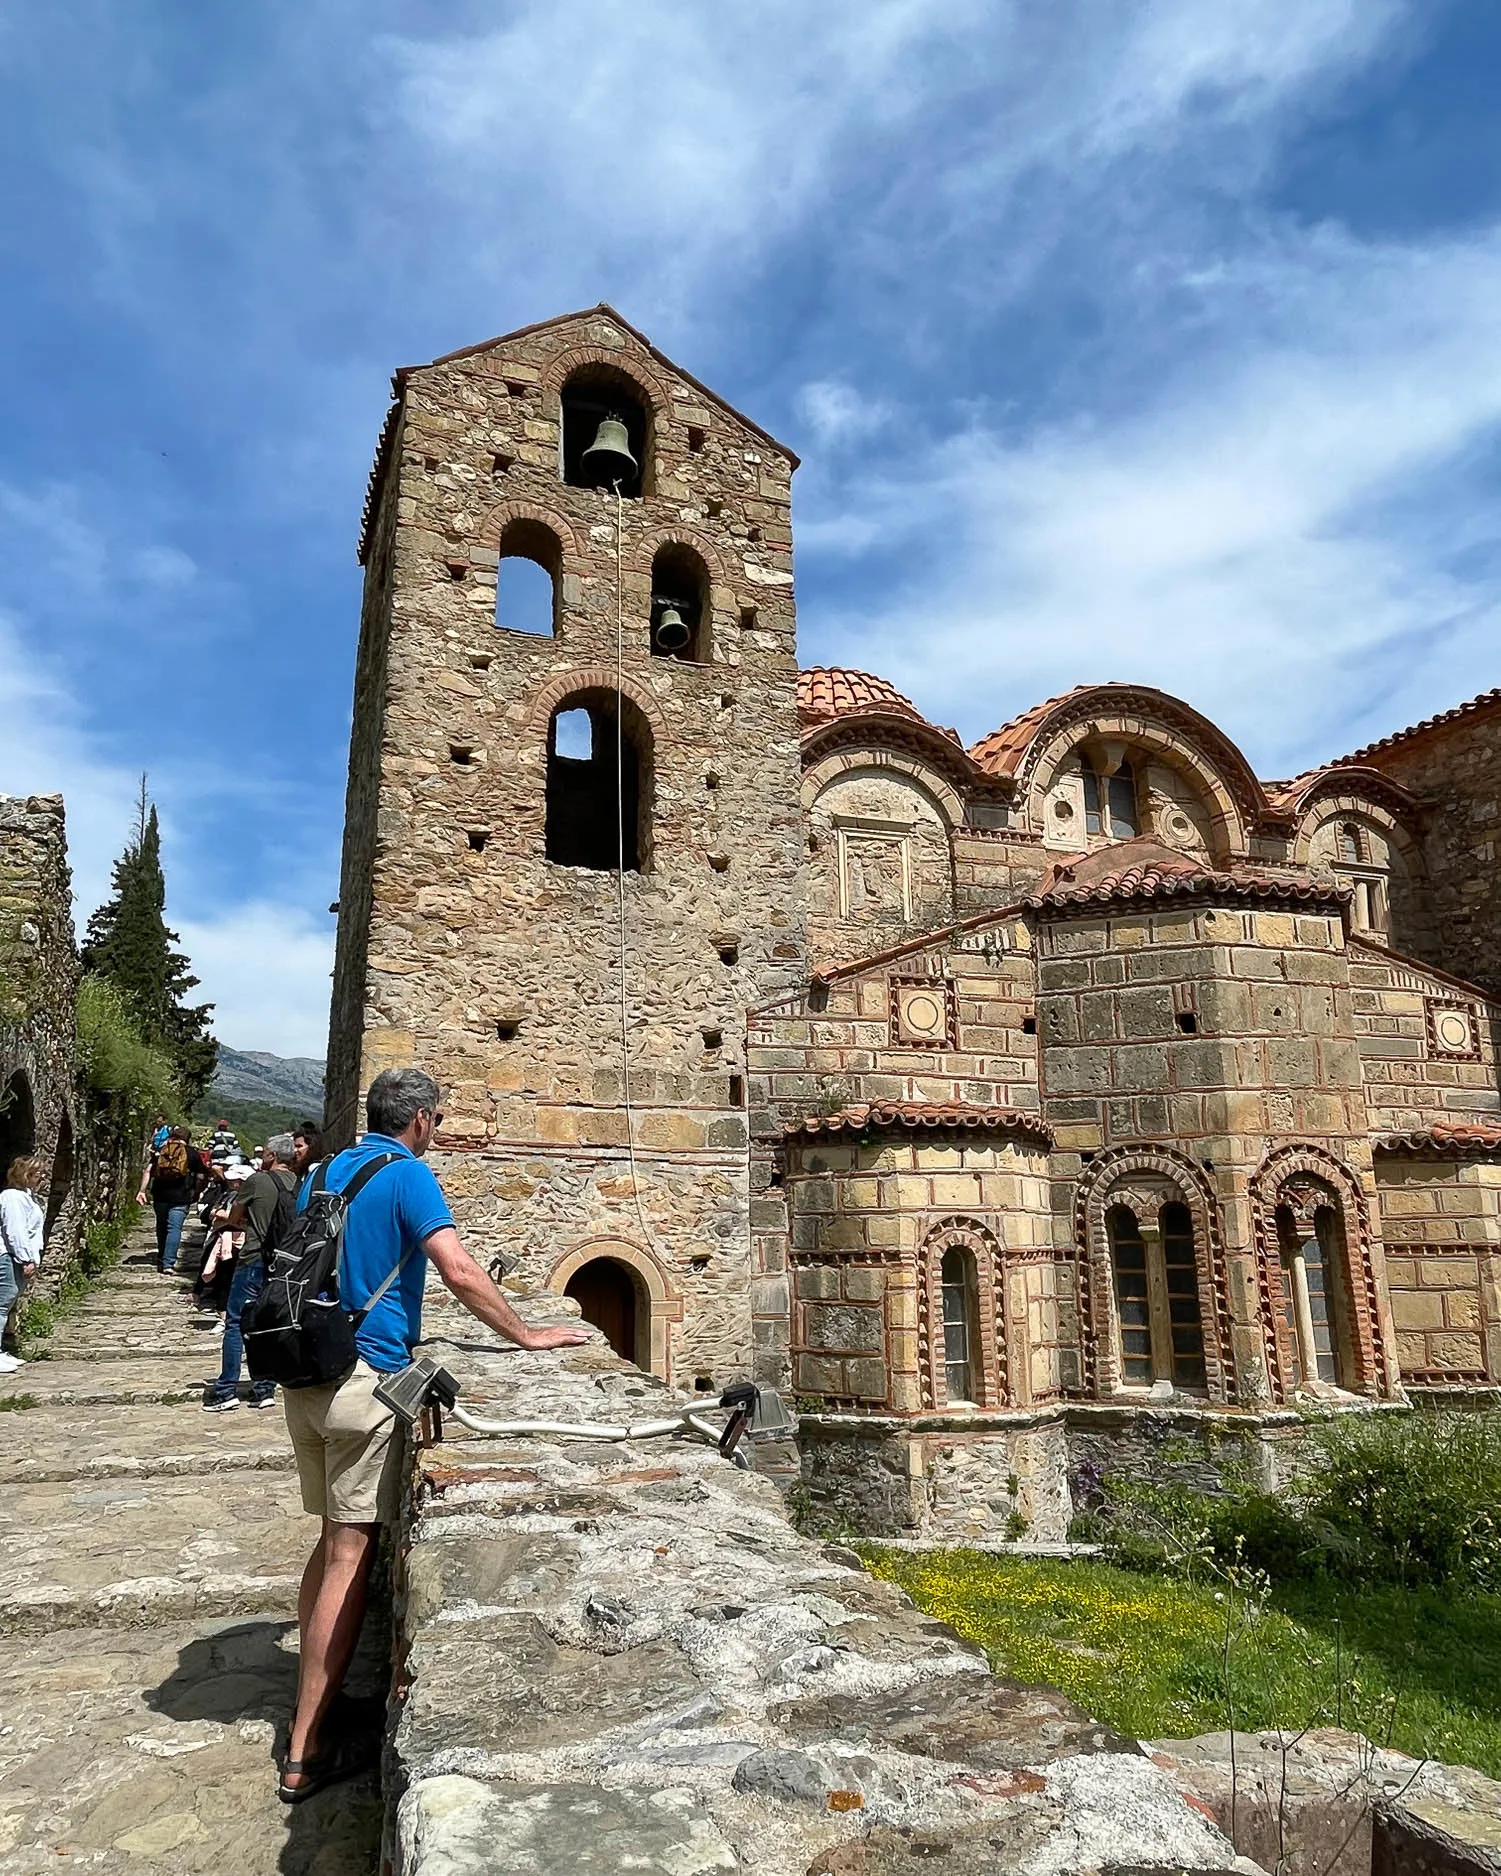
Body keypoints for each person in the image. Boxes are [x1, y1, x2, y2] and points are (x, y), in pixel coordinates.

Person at [277, 1067, 589, 1804]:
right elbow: (457, 1269)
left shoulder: (324, 1167)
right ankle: (306, 1746)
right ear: (418, 1120)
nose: (437, 1130)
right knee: (352, 1547)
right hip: (364, 1375)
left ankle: (308, 1707)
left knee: (329, 1540)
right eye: (438, 1120)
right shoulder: (408, 1174)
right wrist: (527, 1335)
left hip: (307, 1371)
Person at [203, 1135, 297, 1413]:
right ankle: (265, 1388)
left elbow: (234, 1218)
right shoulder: (298, 1183)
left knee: (235, 1322)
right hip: (283, 1263)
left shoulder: (258, 1181)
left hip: (254, 1257)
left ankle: (226, 1389)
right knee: (267, 1324)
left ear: (272, 1156)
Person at [135, 1124, 203, 1274]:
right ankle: (168, 1263)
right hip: (181, 1196)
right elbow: (201, 1176)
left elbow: (148, 1171)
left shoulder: (161, 1152)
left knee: (161, 1226)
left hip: (160, 1195)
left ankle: (161, 1255)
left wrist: (142, 1191)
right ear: (188, 1139)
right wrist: (196, 1193)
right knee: (174, 1228)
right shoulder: (192, 1154)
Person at [0, 1157, 44, 1371]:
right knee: (2, 1303)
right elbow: (15, 1230)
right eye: (37, 1174)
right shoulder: (13, 1198)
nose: (41, 1178)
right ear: (25, 1175)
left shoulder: (25, 1197)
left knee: (7, 1303)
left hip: (15, 1256)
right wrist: (26, 1257)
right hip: (9, 1256)